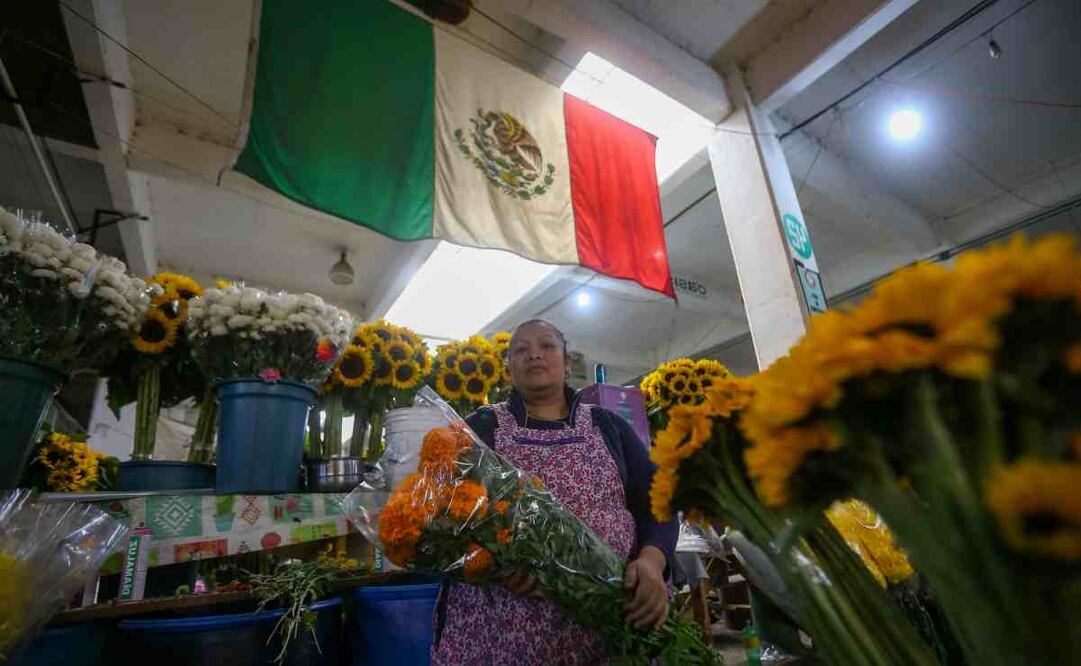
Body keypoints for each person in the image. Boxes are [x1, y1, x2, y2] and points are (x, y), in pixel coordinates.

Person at [431, 319, 678, 665]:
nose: (535, 355)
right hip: (499, 635)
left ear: (567, 360)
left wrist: (652, 563)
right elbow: (441, 521)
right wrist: (487, 566)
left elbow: (659, 501)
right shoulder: (480, 428)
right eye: (521, 350)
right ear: (509, 368)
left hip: (615, 626)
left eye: (547, 346)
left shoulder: (608, 426)